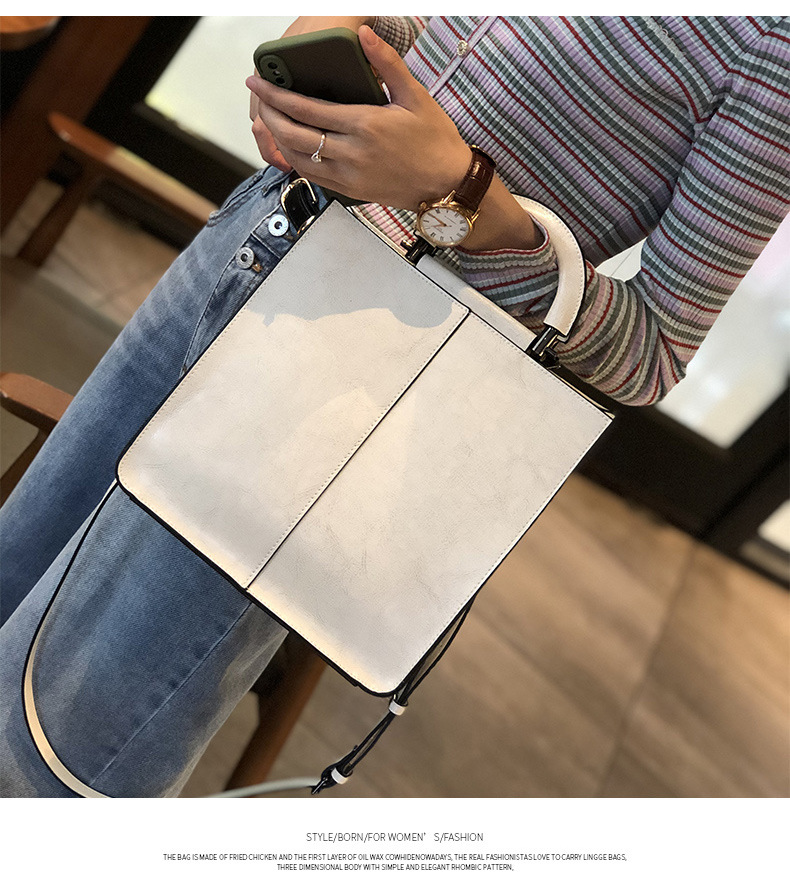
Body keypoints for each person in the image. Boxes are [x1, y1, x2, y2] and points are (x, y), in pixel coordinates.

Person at [1, 16, 788, 797]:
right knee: (18, 567)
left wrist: (461, 198)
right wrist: (346, 34)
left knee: (64, 742)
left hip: (360, 374)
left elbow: (655, 349)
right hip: (258, 234)